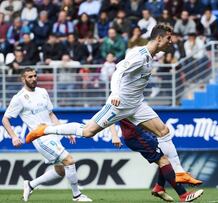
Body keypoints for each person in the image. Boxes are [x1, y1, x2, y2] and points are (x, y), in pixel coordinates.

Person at [25, 24, 203, 201]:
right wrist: (116, 93)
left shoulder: (151, 57)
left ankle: (179, 173)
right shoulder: (139, 56)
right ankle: (44, 129)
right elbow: (118, 71)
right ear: (159, 39)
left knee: (164, 131)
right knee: (87, 132)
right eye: (168, 39)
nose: (170, 42)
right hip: (120, 104)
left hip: (137, 104)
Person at [2, 67, 92, 202]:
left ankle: (30, 185)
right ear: (23, 79)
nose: (33, 79)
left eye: (34, 76)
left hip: (52, 133)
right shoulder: (19, 98)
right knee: (69, 160)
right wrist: (14, 136)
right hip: (40, 137)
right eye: (29, 77)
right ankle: (77, 196)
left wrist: (64, 130)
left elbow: (50, 114)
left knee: (60, 170)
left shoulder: (43, 92)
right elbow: (5, 119)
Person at [110, 119, 203, 202]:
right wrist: (114, 136)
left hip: (143, 133)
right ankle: (183, 195)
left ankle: (159, 187)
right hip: (136, 136)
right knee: (164, 161)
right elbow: (110, 115)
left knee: (164, 158)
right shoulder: (117, 100)